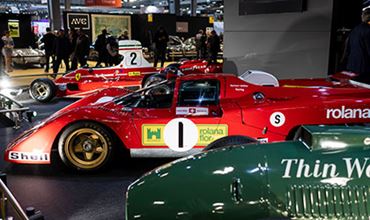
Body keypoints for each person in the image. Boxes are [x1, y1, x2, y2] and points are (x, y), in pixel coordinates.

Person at [344, 8, 370, 83]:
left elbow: (348, 48)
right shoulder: (368, 30)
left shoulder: (355, 29)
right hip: (364, 69)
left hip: (352, 66)